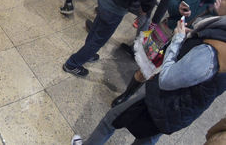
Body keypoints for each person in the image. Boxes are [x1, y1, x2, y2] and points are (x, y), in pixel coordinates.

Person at [71, 15, 226, 145]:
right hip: (178, 111)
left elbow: (166, 79)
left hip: (164, 102)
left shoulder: (212, 52)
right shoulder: (218, 36)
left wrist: (178, 39)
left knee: (111, 120)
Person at [111, 0, 226, 108]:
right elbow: (172, 0)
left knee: (163, 82)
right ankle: (127, 95)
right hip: (166, 35)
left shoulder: (223, 5)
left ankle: (147, 104)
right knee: (145, 70)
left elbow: (216, 37)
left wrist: (218, 15)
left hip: (185, 48)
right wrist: (177, 8)